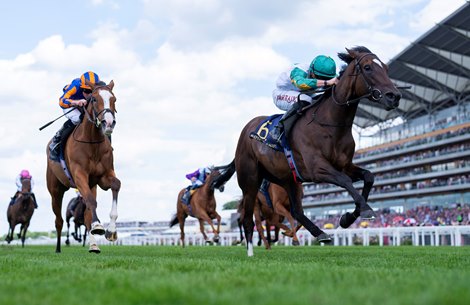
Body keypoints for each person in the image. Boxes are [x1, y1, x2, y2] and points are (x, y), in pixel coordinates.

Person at [270, 55, 338, 141]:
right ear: (311, 71)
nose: (323, 79)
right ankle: (279, 128)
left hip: (304, 93)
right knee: (305, 99)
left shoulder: (321, 73)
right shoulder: (299, 70)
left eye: (326, 78)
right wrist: (327, 82)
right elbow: (300, 83)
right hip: (282, 93)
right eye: (320, 77)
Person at [49, 71, 102, 162]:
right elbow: (61, 102)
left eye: (92, 91)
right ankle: (58, 137)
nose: (89, 94)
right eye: (87, 91)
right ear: (81, 88)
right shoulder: (75, 86)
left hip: (86, 105)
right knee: (78, 119)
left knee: (99, 120)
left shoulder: (100, 86)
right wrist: (75, 102)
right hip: (70, 105)